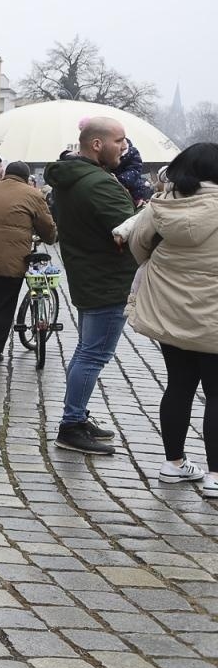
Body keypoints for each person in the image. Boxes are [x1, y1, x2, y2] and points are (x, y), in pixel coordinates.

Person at [120, 142, 218, 496]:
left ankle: (173, 463)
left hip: (170, 309)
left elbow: (138, 245)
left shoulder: (163, 204)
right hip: (214, 317)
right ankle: (214, 476)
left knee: (179, 385)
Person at [45, 115, 136, 455]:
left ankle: (77, 417)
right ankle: (71, 425)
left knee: (87, 350)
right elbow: (127, 231)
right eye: (120, 141)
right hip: (107, 280)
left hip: (90, 276)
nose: (125, 148)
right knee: (93, 354)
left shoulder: (74, 178)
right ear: (97, 144)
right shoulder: (98, 183)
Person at [0, 162, 56, 363]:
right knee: (4, 303)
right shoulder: (33, 194)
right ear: (26, 178)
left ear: (7, 175)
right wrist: (51, 237)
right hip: (11, 260)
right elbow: (46, 226)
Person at [113, 138, 153, 208]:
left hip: (132, 185)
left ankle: (138, 204)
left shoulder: (132, 153)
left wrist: (121, 179)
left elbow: (135, 169)